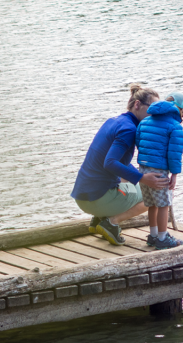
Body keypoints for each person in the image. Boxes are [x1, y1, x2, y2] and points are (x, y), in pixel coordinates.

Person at [71, 84, 171, 246]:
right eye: (151, 109)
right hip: (96, 199)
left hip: (83, 196)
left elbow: (117, 163)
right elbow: (110, 163)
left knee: (134, 181)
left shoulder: (115, 121)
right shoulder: (129, 129)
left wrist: (141, 177)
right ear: (137, 105)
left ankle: (99, 219)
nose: (154, 114)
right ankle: (111, 221)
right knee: (152, 194)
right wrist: (142, 178)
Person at [135, 92, 183, 249]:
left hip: (143, 169)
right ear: (180, 110)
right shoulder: (175, 126)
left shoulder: (145, 121)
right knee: (164, 204)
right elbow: (174, 154)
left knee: (151, 204)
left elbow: (140, 143)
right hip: (159, 171)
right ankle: (163, 238)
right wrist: (174, 175)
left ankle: (153, 236)